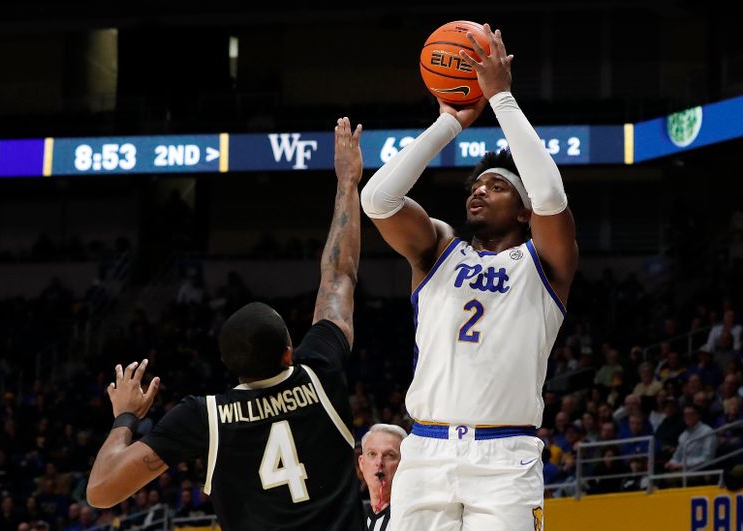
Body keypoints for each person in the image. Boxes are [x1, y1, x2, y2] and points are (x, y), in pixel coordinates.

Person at [86, 117, 366, 531]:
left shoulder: (206, 416)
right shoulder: (319, 373)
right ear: (290, 352)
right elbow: (339, 275)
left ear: (230, 364)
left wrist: (125, 416)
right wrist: (347, 181)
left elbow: (101, 491)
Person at [360, 25, 578, 530]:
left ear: (522, 211)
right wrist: (448, 124)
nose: (478, 192)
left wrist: (502, 99)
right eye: (475, 185)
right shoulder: (438, 249)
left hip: (504, 456)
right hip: (426, 451)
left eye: (496, 185)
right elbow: (377, 200)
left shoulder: (544, 264)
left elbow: (549, 197)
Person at [357, 424, 408, 531]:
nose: (379, 462)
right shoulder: (350, 517)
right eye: (372, 454)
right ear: (361, 463)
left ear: (404, 464)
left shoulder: (411, 517)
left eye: (389, 455)